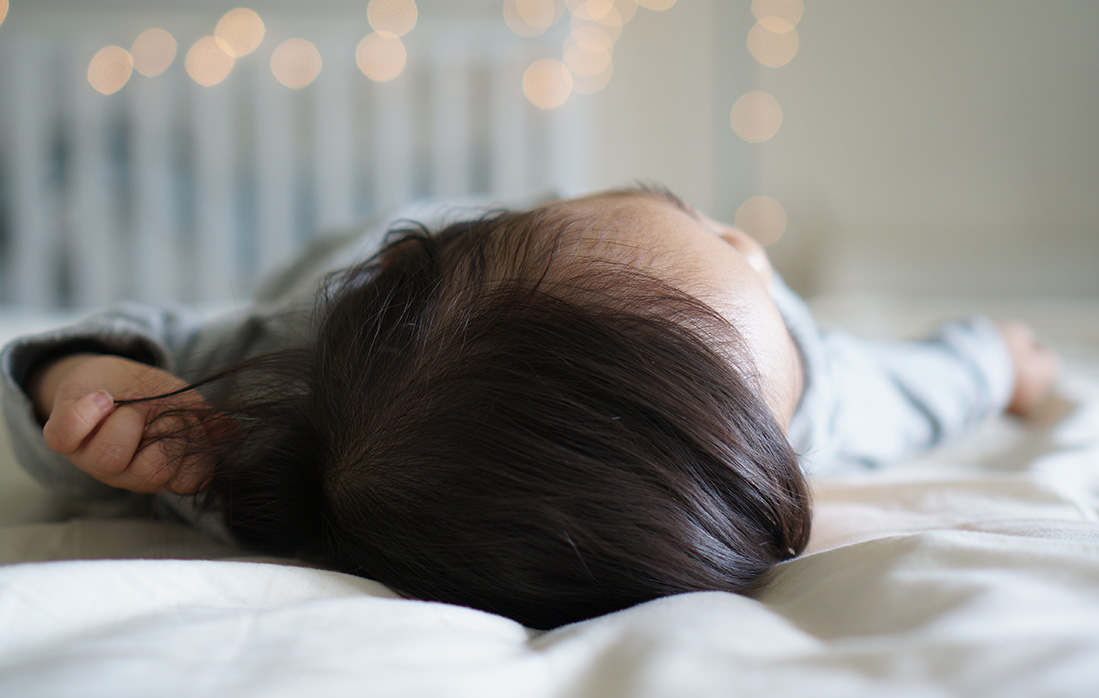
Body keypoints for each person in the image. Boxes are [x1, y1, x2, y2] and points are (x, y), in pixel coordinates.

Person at [0, 186, 1061, 628]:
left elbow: (93, 358)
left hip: (400, 284)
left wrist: (92, 396)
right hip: (474, 277)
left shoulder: (252, 411)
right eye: (716, 236)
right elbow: (929, 384)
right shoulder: (801, 377)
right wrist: (993, 360)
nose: (752, 242)